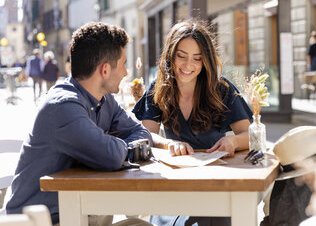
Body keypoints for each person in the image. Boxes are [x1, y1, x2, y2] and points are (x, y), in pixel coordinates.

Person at [5, 22, 153, 226]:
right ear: (105, 69)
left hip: (81, 214)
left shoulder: (104, 99)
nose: (126, 73)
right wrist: (118, 148)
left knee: (139, 224)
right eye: (123, 64)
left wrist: (116, 147)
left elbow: (140, 132)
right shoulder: (62, 107)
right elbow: (110, 156)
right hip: (42, 221)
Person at [133, 19, 253, 226]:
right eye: (181, 56)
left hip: (215, 186)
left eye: (197, 59)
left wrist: (233, 143)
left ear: (205, 61)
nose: (188, 66)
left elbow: (251, 135)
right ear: (171, 55)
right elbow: (145, 135)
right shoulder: (158, 88)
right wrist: (168, 143)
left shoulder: (221, 88)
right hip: (174, 186)